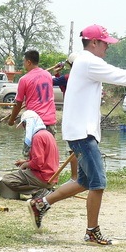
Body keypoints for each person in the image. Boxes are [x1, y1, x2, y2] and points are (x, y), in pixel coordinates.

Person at [28, 24, 126, 245]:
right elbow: (123, 77)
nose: (107, 48)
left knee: (84, 181)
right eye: (105, 43)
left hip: (80, 131)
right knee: (98, 183)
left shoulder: (83, 61)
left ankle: (41, 204)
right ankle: (91, 231)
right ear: (94, 43)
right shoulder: (89, 62)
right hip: (82, 133)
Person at [0, 110, 59, 199]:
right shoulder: (48, 134)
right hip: (52, 177)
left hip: (43, 177)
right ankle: (45, 190)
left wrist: (25, 164)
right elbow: (44, 159)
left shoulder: (37, 137)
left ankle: (39, 191)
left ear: (28, 124)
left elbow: (38, 163)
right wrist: (25, 161)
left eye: (24, 125)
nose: (24, 128)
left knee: (7, 179)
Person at [7, 50, 57, 139]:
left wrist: (11, 120)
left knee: (32, 152)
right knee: (48, 151)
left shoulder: (24, 79)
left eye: (24, 61)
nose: (24, 64)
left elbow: (18, 103)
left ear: (29, 62)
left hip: (35, 123)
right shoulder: (48, 75)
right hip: (50, 121)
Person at [51, 52, 79, 181]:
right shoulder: (81, 77)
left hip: (73, 116)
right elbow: (62, 86)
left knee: (72, 148)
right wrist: (57, 73)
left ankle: (74, 177)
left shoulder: (69, 77)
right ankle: (80, 176)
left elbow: (50, 81)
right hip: (82, 115)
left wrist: (52, 73)